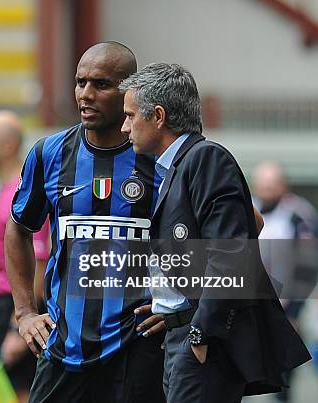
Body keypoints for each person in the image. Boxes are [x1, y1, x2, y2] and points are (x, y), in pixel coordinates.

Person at [119, 62, 311, 403]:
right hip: (179, 337)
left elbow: (232, 253)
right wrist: (172, 305)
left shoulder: (205, 158)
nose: (124, 127)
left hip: (198, 344)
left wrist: (200, 332)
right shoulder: (177, 166)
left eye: (131, 116)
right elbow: (252, 223)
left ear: (158, 116)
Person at [5, 42, 167, 403]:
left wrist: (183, 303)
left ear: (130, 91)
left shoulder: (160, 159)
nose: (86, 95)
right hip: (63, 344)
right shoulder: (50, 153)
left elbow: (239, 227)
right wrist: (25, 312)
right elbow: (18, 227)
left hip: (138, 345)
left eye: (102, 84)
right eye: (80, 83)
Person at [0, 110, 50, 403]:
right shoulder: (0, 194)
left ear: (7, 146)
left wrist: (20, 326)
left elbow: (39, 264)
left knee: (19, 393)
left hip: (16, 309)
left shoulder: (23, 195)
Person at [252, 161, 318, 402]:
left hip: (285, 306)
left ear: (283, 185)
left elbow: (308, 267)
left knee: (282, 378)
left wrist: (295, 311)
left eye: (272, 185)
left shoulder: (298, 214)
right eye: (262, 185)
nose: (267, 190)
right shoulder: (250, 208)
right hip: (251, 305)